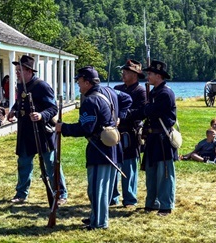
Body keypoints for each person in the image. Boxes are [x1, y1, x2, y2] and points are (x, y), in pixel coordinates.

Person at [55, 66, 126, 230]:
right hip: (111, 147)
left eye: (80, 82)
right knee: (103, 188)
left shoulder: (91, 101)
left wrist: (63, 128)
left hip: (100, 149)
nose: (78, 86)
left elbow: (85, 128)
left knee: (97, 189)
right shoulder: (108, 93)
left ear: (87, 82)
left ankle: (99, 223)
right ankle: (97, 217)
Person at [6, 55, 68, 205]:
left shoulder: (42, 86)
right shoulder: (21, 84)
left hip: (42, 132)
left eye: (19, 70)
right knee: (24, 163)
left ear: (29, 71)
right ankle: (21, 194)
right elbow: (21, 101)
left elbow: (53, 108)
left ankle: (60, 194)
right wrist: (14, 110)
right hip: (26, 131)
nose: (17, 73)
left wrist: (41, 115)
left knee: (51, 164)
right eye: (16, 70)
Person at [130, 60, 177, 216]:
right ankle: (152, 202)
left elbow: (151, 111)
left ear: (158, 75)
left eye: (150, 74)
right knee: (151, 172)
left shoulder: (165, 93)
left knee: (164, 173)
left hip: (162, 138)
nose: (147, 76)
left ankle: (166, 205)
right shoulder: (155, 92)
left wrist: (139, 111)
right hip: (152, 137)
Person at [110, 59, 147, 208]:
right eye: (124, 71)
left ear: (135, 74)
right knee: (113, 164)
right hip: (115, 132)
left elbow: (141, 112)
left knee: (129, 167)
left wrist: (122, 115)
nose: (123, 73)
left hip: (131, 134)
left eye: (127, 71)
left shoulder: (141, 91)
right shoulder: (117, 88)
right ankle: (112, 197)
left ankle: (130, 199)